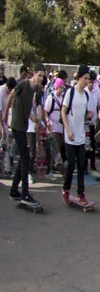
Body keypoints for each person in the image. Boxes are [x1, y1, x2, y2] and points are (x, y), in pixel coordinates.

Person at [6, 66, 47, 207]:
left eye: (43, 76)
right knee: (26, 159)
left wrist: (35, 118)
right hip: (17, 125)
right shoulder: (23, 84)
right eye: (40, 75)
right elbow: (11, 96)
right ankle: (25, 194)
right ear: (34, 74)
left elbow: (31, 106)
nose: (41, 78)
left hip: (23, 125)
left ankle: (13, 191)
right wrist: (5, 116)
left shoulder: (34, 90)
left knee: (24, 159)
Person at [61, 66, 93, 209]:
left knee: (81, 166)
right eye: (85, 78)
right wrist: (67, 130)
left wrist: (89, 116)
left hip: (80, 136)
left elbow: (84, 115)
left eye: (88, 79)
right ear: (78, 78)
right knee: (71, 165)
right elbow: (63, 112)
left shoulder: (86, 95)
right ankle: (66, 190)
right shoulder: (70, 92)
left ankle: (81, 193)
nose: (86, 81)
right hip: (70, 136)